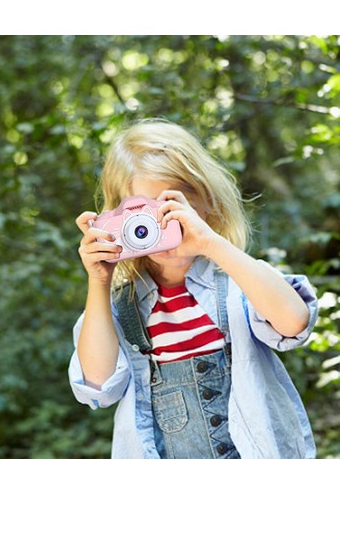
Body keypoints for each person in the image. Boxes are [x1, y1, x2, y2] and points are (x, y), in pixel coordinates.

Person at [68, 118, 318, 459]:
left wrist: (212, 244)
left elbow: (294, 323)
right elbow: (97, 386)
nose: (157, 224)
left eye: (168, 205)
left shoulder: (236, 281)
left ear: (207, 205)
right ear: (118, 219)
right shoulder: (121, 307)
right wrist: (99, 280)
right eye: (141, 212)